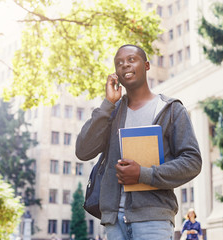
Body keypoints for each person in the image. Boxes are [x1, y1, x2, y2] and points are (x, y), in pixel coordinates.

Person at [76, 44, 202, 240]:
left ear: (147, 66)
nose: (125, 65)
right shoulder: (112, 112)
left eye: (131, 60)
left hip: (154, 219)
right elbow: (83, 151)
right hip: (114, 221)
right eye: (119, 63)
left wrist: (144, 174)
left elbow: (192, 161)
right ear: (116, 73)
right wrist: (108, 104)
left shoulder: (171, 110)